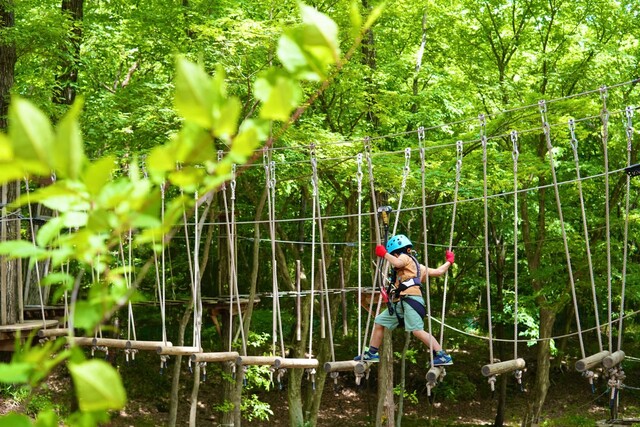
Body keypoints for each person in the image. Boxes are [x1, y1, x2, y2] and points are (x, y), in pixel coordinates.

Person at [354, 234, 454, 366]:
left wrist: (384, 254)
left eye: (393, 255)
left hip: (411, 300)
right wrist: (449, 261)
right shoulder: (419, 267)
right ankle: (372, 352)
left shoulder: (404, 257)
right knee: (379, 322)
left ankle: (441, 354)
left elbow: (398, 262)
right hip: (401, 303)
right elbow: (439, 271)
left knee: (417, 330)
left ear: (397, 252)